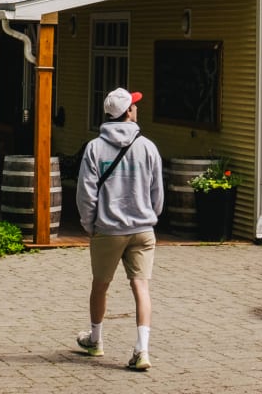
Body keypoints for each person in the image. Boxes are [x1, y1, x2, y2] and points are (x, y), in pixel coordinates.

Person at [75, 87, 164, 371]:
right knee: (141, 286)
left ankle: (96, 340)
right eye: (134, 105)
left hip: (108, 229)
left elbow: (86, 193)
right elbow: (157, 191)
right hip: (143, 228)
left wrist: (90, 224)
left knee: (100, 285)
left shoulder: (94, 148)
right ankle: (142, 349)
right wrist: (151, 216)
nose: (137, 108)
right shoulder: (148, 146)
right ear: (128, 112)